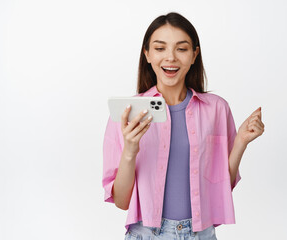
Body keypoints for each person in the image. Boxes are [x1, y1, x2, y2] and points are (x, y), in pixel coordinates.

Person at [102, 12, 265, 240]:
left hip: (201, 234)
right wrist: (130, 150)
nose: (171, 57)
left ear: (194, 55)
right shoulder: (126, 114)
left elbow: (221, 189)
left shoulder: (217, 109)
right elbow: (121, 202)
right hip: (147, 234)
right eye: (160, 48)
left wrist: (240, 143)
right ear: (147, 54)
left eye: (181, 48)